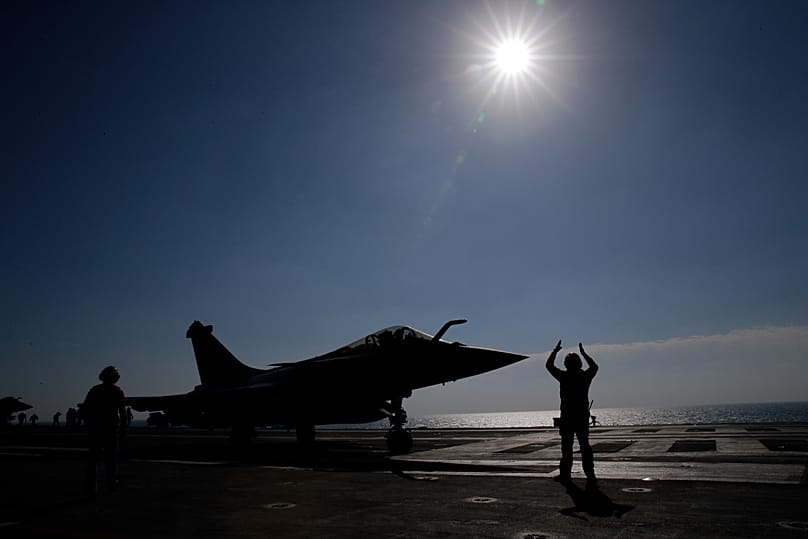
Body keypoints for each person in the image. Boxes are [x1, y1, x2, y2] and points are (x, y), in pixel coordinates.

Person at [546, 340, 599, 488]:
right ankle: (590, 475)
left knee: (567, 448)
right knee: (584, 447)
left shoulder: (564, 376)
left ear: (567, 364)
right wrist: (584, 353)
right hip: (581, 416)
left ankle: (565, 475)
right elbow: (595, 367)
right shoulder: (584, 376)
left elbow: (549, 366)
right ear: (579, 363)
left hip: (568, 417)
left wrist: (554, 352)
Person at [82, 366, 127, 496]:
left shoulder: (95, 390)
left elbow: (85, 408)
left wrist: (87, 425)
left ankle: (92, 489)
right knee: (111, 459)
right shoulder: (117, 391)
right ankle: (111, 486)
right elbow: (123, 413)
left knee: (93, 459)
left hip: (95, 429)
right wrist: (124, 429)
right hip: (110, 429)